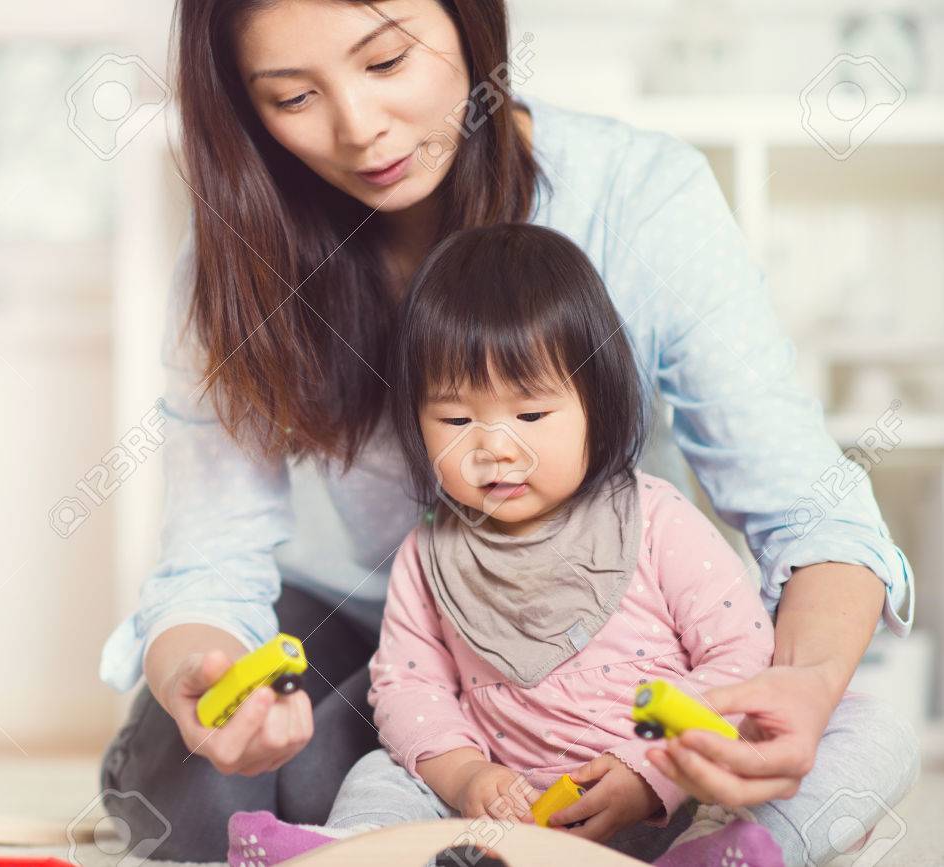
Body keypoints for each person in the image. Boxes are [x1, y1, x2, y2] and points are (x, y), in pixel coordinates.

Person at [97, 1, 918, 862]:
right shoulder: (241, 259)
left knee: (836, 743)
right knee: (238, 784)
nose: (360, 128)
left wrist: (805, 685)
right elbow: (207, 571)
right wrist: (207, 677)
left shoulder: (636, 197)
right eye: (293, 97)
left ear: (470, 24)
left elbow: (808, 514)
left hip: (621, 662)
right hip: (382, 635)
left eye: (386, 63)